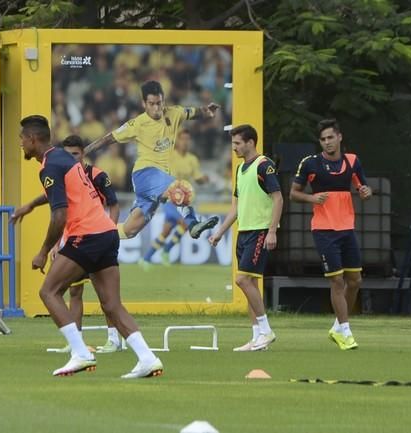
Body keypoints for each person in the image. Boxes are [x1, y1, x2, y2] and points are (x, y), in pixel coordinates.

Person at [11, 115, 162, 378]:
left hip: (86, 234)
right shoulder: (63, 158)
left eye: (22, 139)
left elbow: (60, 214)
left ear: (33, 139)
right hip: (106, 233)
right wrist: (32, 205)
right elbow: (62, 191)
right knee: (112, 305)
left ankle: (80, 353)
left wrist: (43, 251)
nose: (21, 144)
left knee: (49, 291)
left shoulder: (49, 166)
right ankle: (148, 358)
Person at [13, 135, 125, 354]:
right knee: (77, 293)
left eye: (75, 153)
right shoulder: (65, 172)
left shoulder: (96, 175)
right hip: (78, 237)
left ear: (83, 153)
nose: (71, 157)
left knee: (101, 297)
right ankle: (78, 343)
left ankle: (108, 340)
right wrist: (33, 207)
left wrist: (109, 229)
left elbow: (113, 204)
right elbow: (54, 199)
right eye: (68, 154)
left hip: (93, 236)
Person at [84, 80, 220, 242]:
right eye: (152, 104)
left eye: (159, 103)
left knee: (130, 231)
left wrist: (207, 112)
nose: (156, 108)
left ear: (163, 101)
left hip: (160, 181)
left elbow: (194, 112)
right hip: (145, 174)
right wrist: (84, 151)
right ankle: (192, 224)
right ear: (144, 103)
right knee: (180, 188)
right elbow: (109, 138)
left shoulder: (174, 113)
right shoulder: (137, 124)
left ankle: (93, 232)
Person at [290, 118, 372, 351]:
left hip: (347, 227)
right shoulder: (310, 164)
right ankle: (346, 331)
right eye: (323, 139)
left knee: (355, 280)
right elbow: (294, 193)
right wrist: (311, 198)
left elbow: (363, 189)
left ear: (339, 137)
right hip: (324, 229)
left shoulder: (352, 161)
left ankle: (337, 326)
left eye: (330, 137)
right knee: (337, 280)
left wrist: (366, 192)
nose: (327, 142)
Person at [209, 124, 282, 351]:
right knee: (251, 284)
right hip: (244, 232)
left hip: (260, 230)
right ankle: (257, 337)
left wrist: (272, 230)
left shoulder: (264, 165)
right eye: (233, 144)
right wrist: (220, 232)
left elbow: (278, 198)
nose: (234, 148)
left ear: (250, 142)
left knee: (242, 280)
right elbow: (237, 207)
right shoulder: (240, 170)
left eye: (237, 143)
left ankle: (267, 330)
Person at [140, 128, 210, 268]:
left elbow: (197, 178)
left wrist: (204, 179)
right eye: (182, 138)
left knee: (165, 232)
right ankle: (166, 250)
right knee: (185, 223)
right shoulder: (170, 155)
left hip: (185, 200)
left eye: (187, 139)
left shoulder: (192, 159)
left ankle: (146, 259)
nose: (185, 142)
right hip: (169, 197)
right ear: (177, 140)